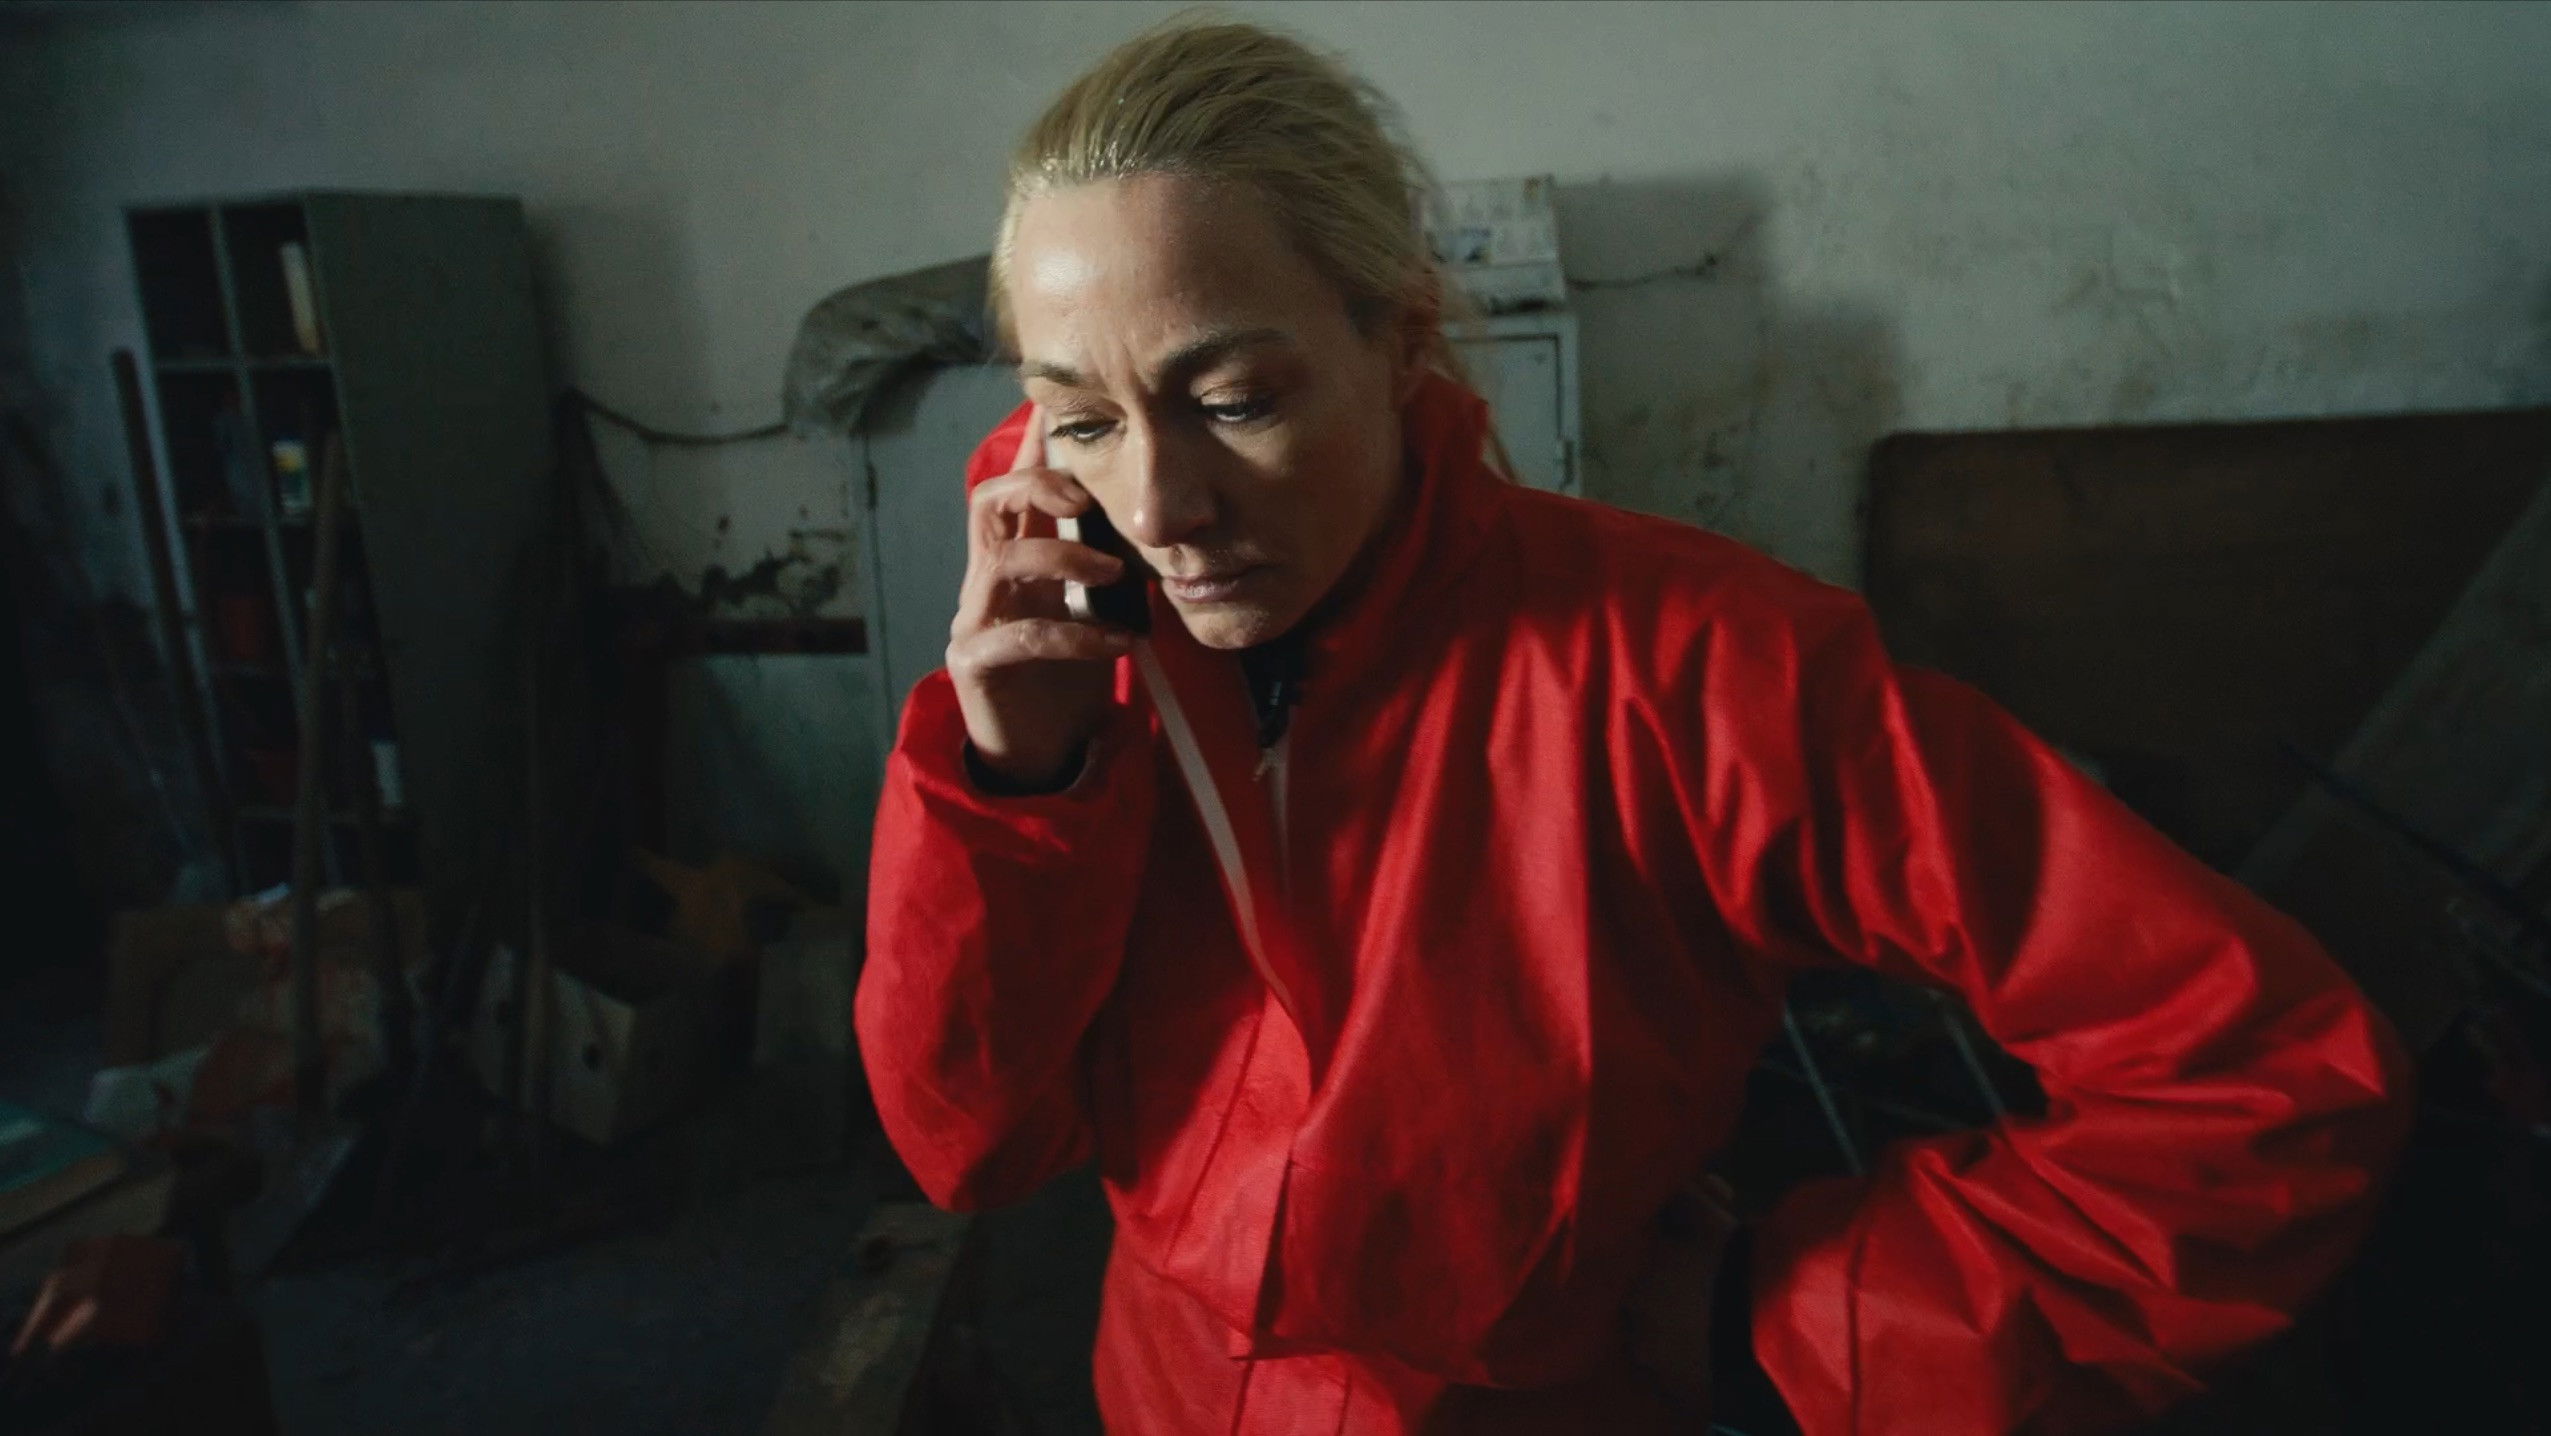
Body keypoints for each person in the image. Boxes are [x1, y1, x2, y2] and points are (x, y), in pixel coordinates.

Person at [854, 18, 2410, 1434]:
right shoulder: (1077, 652)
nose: (1160, 507)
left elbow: (2266, 1079)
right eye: (1083, 418)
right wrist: (1014, 788)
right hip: (1170, 1400)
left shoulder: (1700, 671)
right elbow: (972, 1149)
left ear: (1401, 341)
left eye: (1237, 400)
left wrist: (1789, 1322)